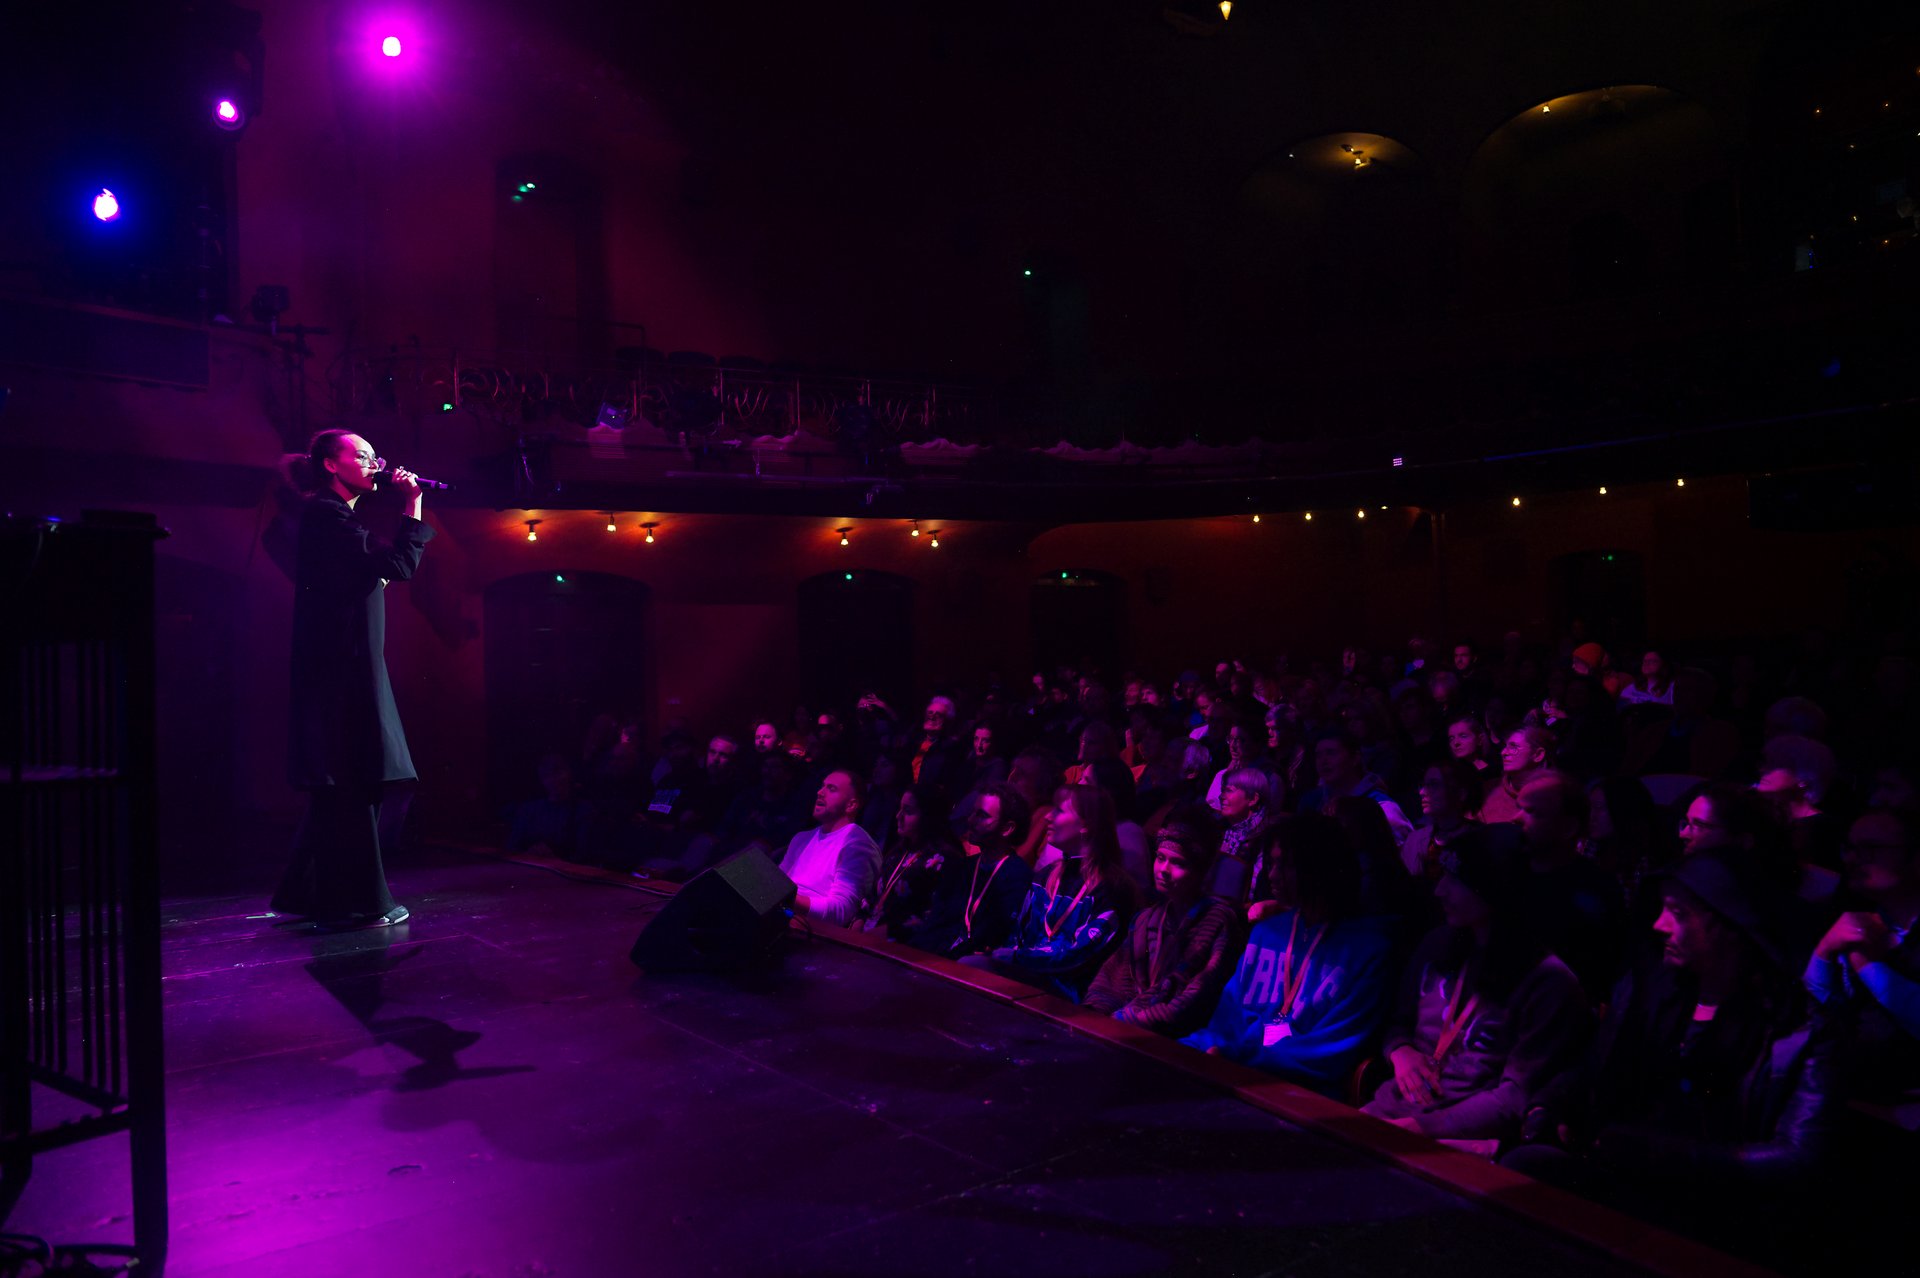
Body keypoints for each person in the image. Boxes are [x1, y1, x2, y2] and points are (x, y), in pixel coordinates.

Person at [1508, 851, 1838, 1245]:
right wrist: (1551, 1102)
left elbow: (1797, 1158)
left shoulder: (1798, 1027)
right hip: (1623, 1177)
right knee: (1522, 1173)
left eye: (1677, 912)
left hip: (1719, 1211)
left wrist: (1651, 1151)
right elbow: (1594, 1067)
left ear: (1730, 926)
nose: (1658, 925)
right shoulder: (1652, 990)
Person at [272, 430, 432, 930]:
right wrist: (414, 503)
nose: (372, 462)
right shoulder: (326, 514)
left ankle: (310, 892)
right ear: (329, 465)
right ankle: (356, 903)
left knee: (347, 782)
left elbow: (381, 569)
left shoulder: (335, 518)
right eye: (360, 455)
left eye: (373, 454)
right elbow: (400, 563)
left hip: (344, 664)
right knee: (357, 779)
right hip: (343, 668)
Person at [1362, 824, 1590, 1143]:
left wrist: (1421, 1130)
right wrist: (1400, 1051)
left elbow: (1514, 1097)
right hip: (1391, 1111)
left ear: (1496, 890)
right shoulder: (1438, 944)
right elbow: (1398, 1024)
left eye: (1456, 880)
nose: (1439, 890)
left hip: (1460, 1138)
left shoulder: (1550, 984)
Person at [1185, 815, 1397, 1094]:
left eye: (1285, 865)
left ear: (1318, 867)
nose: (1271, 875)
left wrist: (1240, 1054)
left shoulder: (1368, 952)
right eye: (1271, 864)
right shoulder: (1266, 933)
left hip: (1296, 1092)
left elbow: (1330, 1051)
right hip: (1234, 1065)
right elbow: (1227, 1018)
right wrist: (1204, 1049)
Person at [964, 784, 1139, 999]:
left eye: (1058, 810)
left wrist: (1017, 958)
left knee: (972, 967)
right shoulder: (1046, 876)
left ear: (1086, 824)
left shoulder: (1111, 887)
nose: (1047, 816)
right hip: (1028, 975)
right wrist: (1006, 955)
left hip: (1070, 992)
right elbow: (1018, 936)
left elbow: (1082, 955)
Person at [1083, 819, 1242, 1036]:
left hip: (1176, 1039)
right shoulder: (1147, 918)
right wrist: (1097, 1012)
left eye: (1178, 863)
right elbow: (1113, 976)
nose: (1163, 870)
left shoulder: (1216, 920)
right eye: (1160, 858)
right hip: (1128, 1027)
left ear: (1200, 871)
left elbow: (1193, 996)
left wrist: (1124, 1020)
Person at [1804, 805, 1920, 1098]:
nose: (1853, 859)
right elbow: (1819, 1011)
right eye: (1850, 848)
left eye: (1871, 849)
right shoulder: (1848, 919)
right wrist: (1824, 950)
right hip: (1851, 1095)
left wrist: (1863, 960)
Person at [1516, 773, 1626, 1002]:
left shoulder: (1596, 890)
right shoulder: (1506, 872)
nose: (1515, 818)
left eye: (1532, 812)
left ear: (1568, 827)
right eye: (1519, 808)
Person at [904, 783, 1034, 957]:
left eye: (982, 815)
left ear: (1006, 828)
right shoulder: (962, 867)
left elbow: (996, 934)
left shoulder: (1018, 877)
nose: (970, 820)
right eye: (973, 812)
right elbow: (937, 920)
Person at [777, 769, 882, 927]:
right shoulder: (802, 838)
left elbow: (841, 911)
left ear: (851, 805)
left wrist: (783, 897)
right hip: (782, 916)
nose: (820, 792)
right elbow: (777, 883)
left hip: (811, 931)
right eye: (822, 786)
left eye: (831, 789)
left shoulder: (857, 844)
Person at [865, 782, 962, 937]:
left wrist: (891, 931)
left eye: (908, 811)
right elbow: (872, 897)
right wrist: (859, 919)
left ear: (928, 816)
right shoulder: (897, 852)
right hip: (869, 933)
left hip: (902, 945)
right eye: (900, 808)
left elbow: (936, 915)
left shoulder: (945, 859)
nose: (898, 816)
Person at [1297, 730, 1414, 847]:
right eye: (1318, 755)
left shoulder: (1383, 807)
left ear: (1355, 758)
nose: (1323, 761)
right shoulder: (1312, 802)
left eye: (1331, 753)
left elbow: (1404, 854)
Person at [1402, 761, 1479, 884]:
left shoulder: (1480, 839)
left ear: (1460, 793)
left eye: (1433, 785)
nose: (1422, 792)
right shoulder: (1414, 839)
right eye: (1423, 785)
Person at [1477, 724, 1553, 825]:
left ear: (1538, 755)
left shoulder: (1555, 796)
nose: (1503, 752)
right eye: (1505, 746)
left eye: (1514, 747)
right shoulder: (1487, 791)